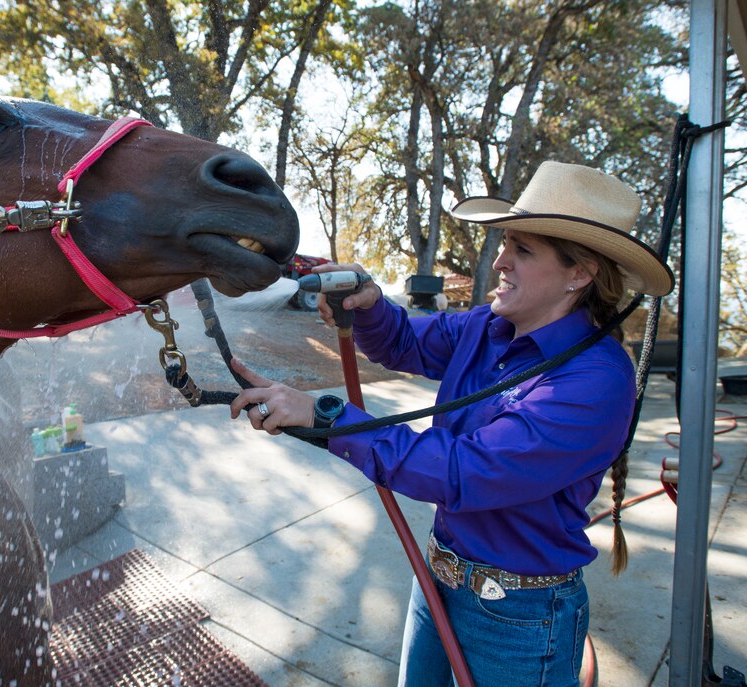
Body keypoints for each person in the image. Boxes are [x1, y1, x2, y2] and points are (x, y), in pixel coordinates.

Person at [229, 161, 674, 687]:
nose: (500, 261)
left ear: (580, 274)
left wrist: (324, 415)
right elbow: (406, 341)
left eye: (523, 251)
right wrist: (369, 305)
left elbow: (465, 472)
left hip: (519, 616)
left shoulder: (595, 380)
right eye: (506, 243)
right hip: (438, 579)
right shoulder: (489, 326)